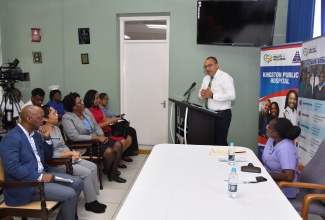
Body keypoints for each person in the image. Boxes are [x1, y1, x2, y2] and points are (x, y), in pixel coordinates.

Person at [0, 105, 84, 220]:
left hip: (42, 174)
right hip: (25, 185)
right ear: (29, 119)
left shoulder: (36, 134)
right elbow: (13, 168)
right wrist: (39, 176)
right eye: (40, 118)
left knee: (78, 183)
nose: (43, 120)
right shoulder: (11, 138)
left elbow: (48, 156)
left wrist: (47, 139)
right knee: (70, 194)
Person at [41, 105, 107, 213]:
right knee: (86, 173)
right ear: (44, 118)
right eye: (53, 114)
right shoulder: (42, 133)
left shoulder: (56, 128)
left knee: (93, 166)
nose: (57, 115)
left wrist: (73, 154)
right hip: (57, 163)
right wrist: (69, 153)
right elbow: (49, 154)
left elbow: (63, 145)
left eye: (56, 112)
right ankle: (90, 203)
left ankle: (93, 198)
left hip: (68, 157)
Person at [61, 92, 126, 183]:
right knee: (109, 151)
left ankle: (113, 173)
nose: (83, 103)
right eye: (80, 102)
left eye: (82, 101)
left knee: (118, 145)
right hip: (84, 145)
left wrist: (102, 135)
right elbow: (75, 137)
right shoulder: (67, 118)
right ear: (74, 107)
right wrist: (96, 138)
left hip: (97, 139)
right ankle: (108, 171)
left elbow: (96, 125)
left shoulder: (85, 111)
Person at [84, 90, 132, 168]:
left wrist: (117, 119)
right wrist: (113, 120)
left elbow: (105, 118)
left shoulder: (98, 108)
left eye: (98, 98)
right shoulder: (87, 112)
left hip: (109, 131)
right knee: (122, 141)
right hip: (102, 133)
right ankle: (115, 161)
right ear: (90, 99)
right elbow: (96, 126)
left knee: (129, 138)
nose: (98, 100)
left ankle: (116, 158)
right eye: (97, 98)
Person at [198, 56, 236, 146]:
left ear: (216, 65)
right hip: (208, 114)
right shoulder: (206, 78)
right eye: (205, 66)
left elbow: (232, 96)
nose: (207, 68)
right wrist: (202, 94)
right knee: (210, 141)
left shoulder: (224, 77)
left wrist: (212, 96)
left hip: (222, 115)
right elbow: (200, 95)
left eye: (210, 65)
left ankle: (226, 159)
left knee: (220, 142)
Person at [262, 118, 301, 198]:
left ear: (275, 133)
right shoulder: (271, 140)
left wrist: (266, 175)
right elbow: (266, 159)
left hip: (282, 189)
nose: (266, 128)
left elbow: (289, 176)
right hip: (269, 181)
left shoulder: (286, 149)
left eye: (268, 127)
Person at [99, 92, 139, 157]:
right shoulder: (101, 110)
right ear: (100, 99)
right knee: (129, 131)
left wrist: (119, 117)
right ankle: (126, 154)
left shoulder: (106, 108)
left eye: (107, 99)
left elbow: (112, 115)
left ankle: (130, 151)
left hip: (115, 121)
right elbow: (106, 119)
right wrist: (116, 119)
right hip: (112, 124)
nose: (107, 101)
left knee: (131, 130)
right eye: (105, 99)